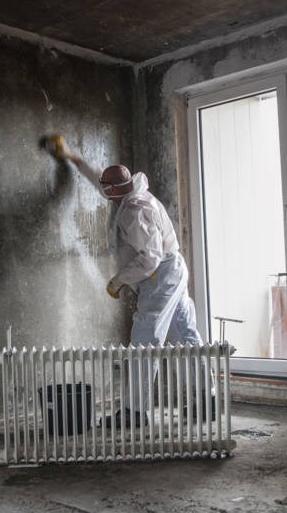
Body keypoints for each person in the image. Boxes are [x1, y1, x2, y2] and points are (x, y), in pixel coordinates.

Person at [43, 134, 204, 429]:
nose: (103, 192)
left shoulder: (134, 212)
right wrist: (72, 157)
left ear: (115, 191)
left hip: (160, 276)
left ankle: (134, 412)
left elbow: (151, 257)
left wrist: (118, 281)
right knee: (186, 337)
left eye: (107, 189)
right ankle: (206, 400)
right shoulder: (129, 191)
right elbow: (100, 180)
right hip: (172, 270)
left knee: (144, 342)